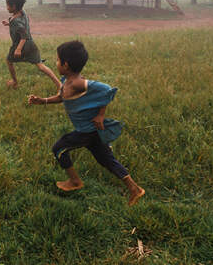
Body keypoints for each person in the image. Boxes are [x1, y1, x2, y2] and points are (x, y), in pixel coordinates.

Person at [28, 40, 145, 206]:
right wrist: (43, 101)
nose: (56, 63)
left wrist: (101, 115)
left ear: (66, 64)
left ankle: (75, 182)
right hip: (92, 132)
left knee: (59, 149)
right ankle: (135, 189)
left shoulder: (77, 83)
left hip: (86, 132)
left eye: (57, 60)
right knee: (106, 160)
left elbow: (106, 90)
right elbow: (62, 97)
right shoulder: (66, 81)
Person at [2, 0, 61, 90]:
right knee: (41, 66)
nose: (6, 7)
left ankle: (15, 82)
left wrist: (18, 49)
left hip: (20, 45)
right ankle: (59, 84)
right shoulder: (23, 12)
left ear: (14, 6)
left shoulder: (16, 22)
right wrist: (9, 24)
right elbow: (23, 25)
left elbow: (24, 36)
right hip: (31, 44)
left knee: (9, 61)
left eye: (8, 5)